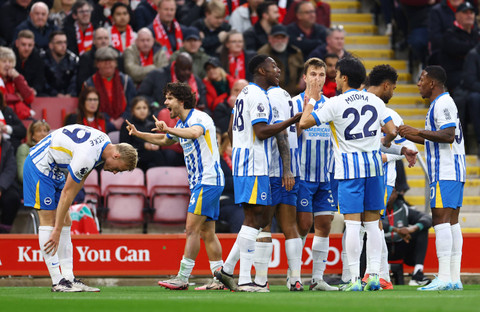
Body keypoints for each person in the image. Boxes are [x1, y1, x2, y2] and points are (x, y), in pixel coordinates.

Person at [299, 57, 398, 291]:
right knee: (373, 224)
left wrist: (312, 100)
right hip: (374, 168)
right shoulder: (375, 101)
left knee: (353, 225)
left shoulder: (335, 103)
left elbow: (303, 123)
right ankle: (373, 275)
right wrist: (382, 141)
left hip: (349, 169)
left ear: (344, 77)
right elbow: (392, 130)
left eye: (336, 75)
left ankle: (353, 278)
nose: (334, 79)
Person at [214, 55, 301, 292]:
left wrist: (241, 148)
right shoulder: (258, 95)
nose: (277, 70)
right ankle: (243, 280)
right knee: (254, 219)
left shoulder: (243, 94)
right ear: (262, 70)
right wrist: (292, 120)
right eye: (273, 67)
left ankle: (228, 270)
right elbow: (261, 132)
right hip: (254, 164)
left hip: (246, 162)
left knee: (258, 219)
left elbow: (231, 128)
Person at [126, 82, 225, 290]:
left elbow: (195, 133)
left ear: (181, 100)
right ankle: (219, 279)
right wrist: (138, 134)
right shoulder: (180, 124)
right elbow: (164, 139)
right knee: (207, 232)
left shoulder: (200, 118)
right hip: (205, 182)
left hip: (207, 181)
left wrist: (169, 128)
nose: (165, 102)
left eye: (169, 98)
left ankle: (182, 278)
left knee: (191, 229)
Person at [23, 124, 138, 292]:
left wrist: (60, 225)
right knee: (49, 221)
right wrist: (56, 230)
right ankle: (58, 281)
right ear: (116, 154)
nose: (114, 173)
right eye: (118, 169)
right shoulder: (88, 156)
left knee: (66, 220)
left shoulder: (104, 142)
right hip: (39, 165)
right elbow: (67, 194)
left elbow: (78, 181)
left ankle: (69, 278)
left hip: (54, 167)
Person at [398, 65, 466, 291]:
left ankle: (444, 277)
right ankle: (454, 278)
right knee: (452, 222)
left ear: (433, 83)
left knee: (441, 220)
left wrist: (416, 131)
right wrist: (411, 135)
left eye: (422, 79)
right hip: (453, 171)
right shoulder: (438, 104)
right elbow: (436, 138)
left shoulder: (443, 103)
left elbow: (448, 135)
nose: (418, 83)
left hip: (446, 171)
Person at [362, 64, 417, 290]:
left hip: (381, 178)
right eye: (393, 88)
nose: (393, 93)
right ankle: (373, 274)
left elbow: (406, 146)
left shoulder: (389, 113)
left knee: (372, 224)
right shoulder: (373, 107)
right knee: (364, 225)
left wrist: (386, 157)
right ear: (386, 85)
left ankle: (378, 273)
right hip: (363, 174)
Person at [292, 57, 338, 291]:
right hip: (301, 176)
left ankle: (317, 279)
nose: (317, 79)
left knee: (324, 224)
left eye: (321, 75)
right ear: (305, 77)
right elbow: (292, 136)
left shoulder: (331, 105)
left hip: (325, 176)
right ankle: (295, 276)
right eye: (313, 74)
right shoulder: (294, 103)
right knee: (303, 225)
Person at [253, 84, 302, 292]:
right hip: (292, 169)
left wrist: (285, 169)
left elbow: (280, 134)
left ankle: (261, 280)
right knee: (290, 226)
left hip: (273, 170)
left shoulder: (267, 98)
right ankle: (296, 279)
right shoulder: (287, 98)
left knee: (263, 226)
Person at [382, 188, 433, 286]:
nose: (387, 196)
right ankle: (361, 275)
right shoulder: (374, 209)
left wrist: (411, 229)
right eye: (385, 192)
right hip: (381, 249)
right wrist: (397, 230)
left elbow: (428, 218)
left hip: (401, 249)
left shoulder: (403, 208)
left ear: (396, 195)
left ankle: (417, 274)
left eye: (390, 192)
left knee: (422, 230)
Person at [83, 46, 137, 131]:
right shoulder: (89, 83)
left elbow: (132, 103)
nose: (108, 64)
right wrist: (110, 120)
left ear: (115, 63)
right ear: (97, 64)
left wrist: (122, 119)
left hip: (125, 120)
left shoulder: (126, 80)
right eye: (104, 61)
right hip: (101, 121)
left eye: (111, 60)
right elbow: (89, 106)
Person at [138, 52, 207, 113]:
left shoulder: (196, 81)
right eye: (183, 69)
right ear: (175, 67)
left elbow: (203, 104)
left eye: (189, 69)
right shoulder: (156, 75)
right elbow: (142, 95)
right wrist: (155, 105)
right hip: (162, 115)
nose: (186, 72)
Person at [439, 1, 478, 95]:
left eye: (471, 13)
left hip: (475, 75)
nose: (469, 15)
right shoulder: (449, 34)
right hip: (457, 76)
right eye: (465, 12)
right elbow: (457, 48)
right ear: (457, 16)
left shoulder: (477, 34)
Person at [120, 96, 167, 171]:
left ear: (148, 110)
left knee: (163, 154)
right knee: (156, 156)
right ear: (132, 110)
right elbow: (124, 146)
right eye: (138, 108)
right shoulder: (127, 125)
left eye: (144, 108)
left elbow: (156, 141)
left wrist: (157, 145)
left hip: (150, 155)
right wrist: (143, 146)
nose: (142, 111)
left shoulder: (151, 125)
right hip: (133, 156)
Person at [257, 24, 304, 96]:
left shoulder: (296, 52)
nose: (280, 41)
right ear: (270, 38)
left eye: (282, 38)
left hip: (293, 95)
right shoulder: (262, 54)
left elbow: (302, 69)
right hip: (270, 96)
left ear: (287, 39)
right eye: (276, 38)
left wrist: (303, 79)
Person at [0, 46, 35, 120]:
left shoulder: (16, 79)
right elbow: (2, 100)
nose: (8, 64)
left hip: (22, 116)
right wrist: (17, 97)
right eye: (4, 61)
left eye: (10, 62)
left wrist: (18, 78)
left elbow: (30, 98)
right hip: (5, 117)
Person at [41, 30, 79, 97]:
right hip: (47, 97)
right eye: (59, 43)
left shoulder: (73, 60)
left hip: (69, 98)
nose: (63, 45)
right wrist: (55, 94)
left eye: (65, 42)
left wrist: (70, 94)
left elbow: (74, 81)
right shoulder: (42, 59)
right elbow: (42, 82)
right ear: (51, 45)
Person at [76, 27, 111, 94]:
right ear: (94, 41)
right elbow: (82, 82)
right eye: (100, 38)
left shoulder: (116, 56)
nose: (103, 41)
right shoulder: (85, 58)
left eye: (106, 38)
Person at [0, 127, 21, 234]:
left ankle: (4, 229)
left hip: (4, 185)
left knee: (12, 198)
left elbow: (10, 169)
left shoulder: (8, 147)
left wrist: (1, 187)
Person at [16, 120, 50, 184]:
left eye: (45, 131)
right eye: (39, 131)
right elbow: (22, 175)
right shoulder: (24, 149)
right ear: (32, 135)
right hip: (32, 186)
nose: (43, 134)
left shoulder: (52, 149)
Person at [14, 29, 45, 95]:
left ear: (33, 45)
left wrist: (35, 90)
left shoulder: (38, 59)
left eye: (30, 45)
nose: (26, 48)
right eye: (23, 45)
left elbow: (40, 80)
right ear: (17, 43)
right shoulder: (9, 57)